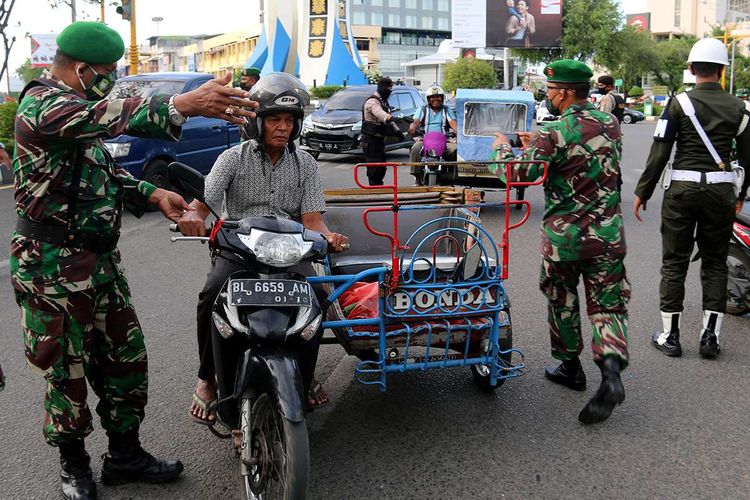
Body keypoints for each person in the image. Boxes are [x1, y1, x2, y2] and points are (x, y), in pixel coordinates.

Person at [9, 21, 257, 500]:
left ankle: (125, 455)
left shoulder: (77, 109)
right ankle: (74, 465)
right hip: (51, 265)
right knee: (67, 369)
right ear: (81, 70)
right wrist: (182, 103)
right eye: (106, 74)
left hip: (99, 262)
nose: (111, 82)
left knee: (125, 359)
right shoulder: (44, 105)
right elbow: (109, 115)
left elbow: (99, 172)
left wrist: (153, 191)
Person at [177, 73, 350, 425]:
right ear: (258, 121)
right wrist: (192, 216)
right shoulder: (231, 159)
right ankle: (207, 377)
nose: (282, 127)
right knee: (211, 296)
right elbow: (203, 202)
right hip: (239, 250)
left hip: (289, 250)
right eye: (274, 119)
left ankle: (304, 373)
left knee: (315, 303)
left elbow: (312, 220)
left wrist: (327, 236)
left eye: (289, 120)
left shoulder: (306, 164)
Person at [490, 59, 629, 425]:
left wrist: (503, 148)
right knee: (608, 306)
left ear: (565, 93)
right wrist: (535, 144)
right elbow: (583, 156)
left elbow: (519, 175)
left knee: (562, 299)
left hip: (565, 241)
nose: (548, 96)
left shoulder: (554, 133)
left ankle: (570, 367)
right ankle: (610, 373)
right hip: (608, 236)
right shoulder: (611, 124)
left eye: (551, 91)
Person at [634, 38, 750, 359]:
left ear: (690, 69)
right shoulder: (741, 109)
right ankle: (709, 337)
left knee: (674, 263)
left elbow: (660, 152)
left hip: (682, 193)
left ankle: (670, 337)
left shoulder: (677, 104)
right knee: (715, 263)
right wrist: (740, 194)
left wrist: (643, 191)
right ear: (722, 71)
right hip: (721, 192)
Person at [408, 85, 458, 185]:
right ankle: (417, 177)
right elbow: (415, 122)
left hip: (445, 139)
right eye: (432, 97)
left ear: (442, 98)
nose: (435, 99)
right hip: (425, 139)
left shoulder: (447, 110)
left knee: (454, 150)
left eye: (438, 97)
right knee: (415, 148)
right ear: (428, 99)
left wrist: (459, 135)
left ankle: (451, 177)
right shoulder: (423, 109)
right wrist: (412, 128)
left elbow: (454, 124)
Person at [360, 76, 405, 186]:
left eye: (390, 89)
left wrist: (398, 131)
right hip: (370, 141)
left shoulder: (383, 102)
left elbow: (388, 116)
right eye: (387, 89)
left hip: (379, 140)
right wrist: (393, 119)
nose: (389, 91)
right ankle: (374, 191)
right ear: (381, 87)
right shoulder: (372, 102)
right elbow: (381, 114)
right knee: (374, 168)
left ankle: (378, 188)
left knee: (381, 167)